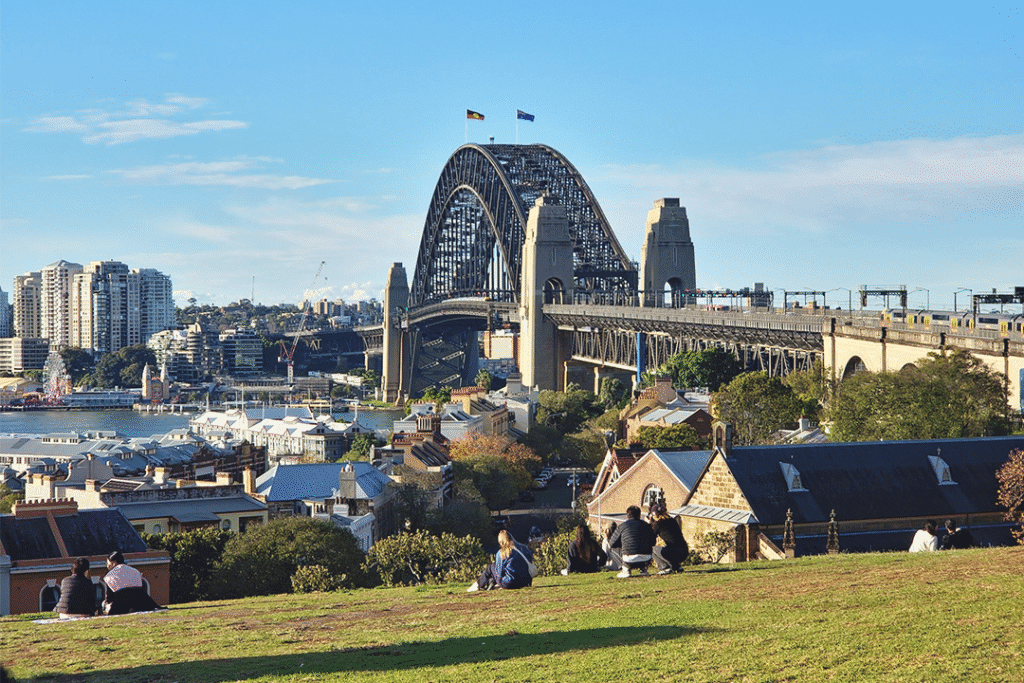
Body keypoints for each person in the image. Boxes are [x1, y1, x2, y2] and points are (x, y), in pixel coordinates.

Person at [468, 530, 534, 592]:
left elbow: (499, 573)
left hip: (509, 583)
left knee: (491, 567)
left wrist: (496, 578)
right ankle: (489, 582)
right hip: (525, 582)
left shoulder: (502, 553)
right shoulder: (524, 548)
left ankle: (478, 584)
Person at [608, 505, 655, 578]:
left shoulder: (622, 526)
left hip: (628, 559)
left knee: (612, 549)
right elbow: (653, 542)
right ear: (639, 516)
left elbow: (611, 543)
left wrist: (624, 544)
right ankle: (643, 569)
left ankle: (625, 569)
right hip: (646, 558)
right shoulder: (647, 526)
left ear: (627, 516)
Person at [648, 504, 689, 575]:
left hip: (674, 552)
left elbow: (651, 540)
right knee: (667, 547)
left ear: (654, 515)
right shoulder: (673, 521)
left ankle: (665, 568)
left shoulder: (658, 524)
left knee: (652, 549)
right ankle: (677, 567)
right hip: (684, 551)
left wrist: (650, 524)